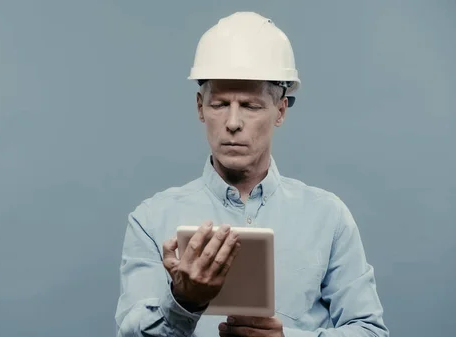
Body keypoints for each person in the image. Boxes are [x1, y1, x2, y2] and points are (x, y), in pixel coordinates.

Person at [114, 11, 389, 337]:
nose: (232, 122)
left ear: (281, 110)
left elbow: (370, 331)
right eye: (219, 104)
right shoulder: (151, 220)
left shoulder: (328, 217)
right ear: (200, 108)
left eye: (250, 105)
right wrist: (183, 302)